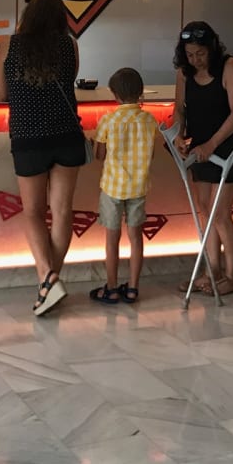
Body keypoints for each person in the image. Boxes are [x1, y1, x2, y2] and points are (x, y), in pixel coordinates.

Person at [0, 0, 85, 317]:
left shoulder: (9, 46)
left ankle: (47, 279)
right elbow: (69, 80)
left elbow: (2, 93)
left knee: (32, 212)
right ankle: (50, 282)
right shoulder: (70, 45)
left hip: (29, 137)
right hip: (67, 135)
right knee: (62, 211)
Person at [174, 22, 233, 296]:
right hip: (201, 148)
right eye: (190, 54)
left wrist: (212, 144)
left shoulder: (231, 67)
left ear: (212, 49)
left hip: (229, 146)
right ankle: (212, 271)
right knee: (206, 210)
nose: (195, 60)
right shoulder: (184, 73)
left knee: (220, 213)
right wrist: (178, 135)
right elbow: (179, 109)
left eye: (200, 54)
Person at [90, 67, 159, 304]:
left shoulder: (108, 120)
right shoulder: (149, 120)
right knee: (136, 238)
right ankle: (132, 288)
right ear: (140, 92)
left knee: (112, 239)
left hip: (112, 187)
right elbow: (151, 154)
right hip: (138, 187)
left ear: (115, 95)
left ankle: (111, 287)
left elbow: (99, 155)